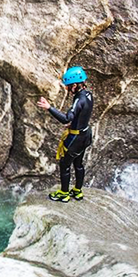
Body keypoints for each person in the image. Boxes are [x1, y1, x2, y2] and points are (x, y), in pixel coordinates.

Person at [35, 66, 95, 203]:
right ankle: (78, 191)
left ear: (75, 85)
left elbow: (66, 118)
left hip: (76, 138)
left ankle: (64, 193)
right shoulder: (88, 95)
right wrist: (75, 124)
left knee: (65, 165)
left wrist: (49, 108)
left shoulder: (79, 99)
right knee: (79, 164)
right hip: (85, 133)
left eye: (68, 87)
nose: (67, 89)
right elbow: (83, 114)